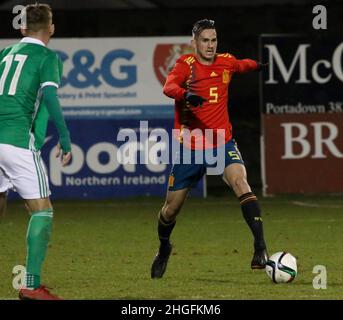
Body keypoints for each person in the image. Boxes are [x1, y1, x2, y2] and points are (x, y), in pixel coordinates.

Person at [151, 19, 269, 279]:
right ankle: (163, 248)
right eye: (205, 40)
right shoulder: (186, 66)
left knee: (241, 182)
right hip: (190, 147)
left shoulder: (225, 61)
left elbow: (241, 65)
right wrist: (185, 95)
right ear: (194, 43)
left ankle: (260, 247)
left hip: (221, 141)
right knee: (171, 209)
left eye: (213, 39)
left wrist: (258, 66)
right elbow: (169, 86)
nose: (210, 45)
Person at [0, 3, 71, 299]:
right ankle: (31, 284)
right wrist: (65, 139)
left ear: (22, 27)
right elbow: (50, 99)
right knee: (42, 211)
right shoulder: (46, 57)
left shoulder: (4, 54)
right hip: (16, 141)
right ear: (51, 28)